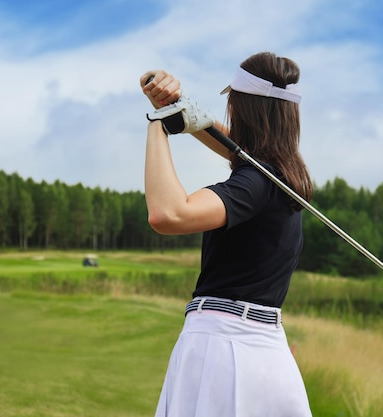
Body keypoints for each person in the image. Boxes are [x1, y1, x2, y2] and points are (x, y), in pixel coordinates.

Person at [139, 52, 314, 417]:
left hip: (221, 348)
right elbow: (242, 151)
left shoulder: (255, 182)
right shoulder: (285, 174)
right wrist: (180, 109)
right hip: (265, 351)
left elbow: (168, 213)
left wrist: (156, 121)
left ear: (241, 107)